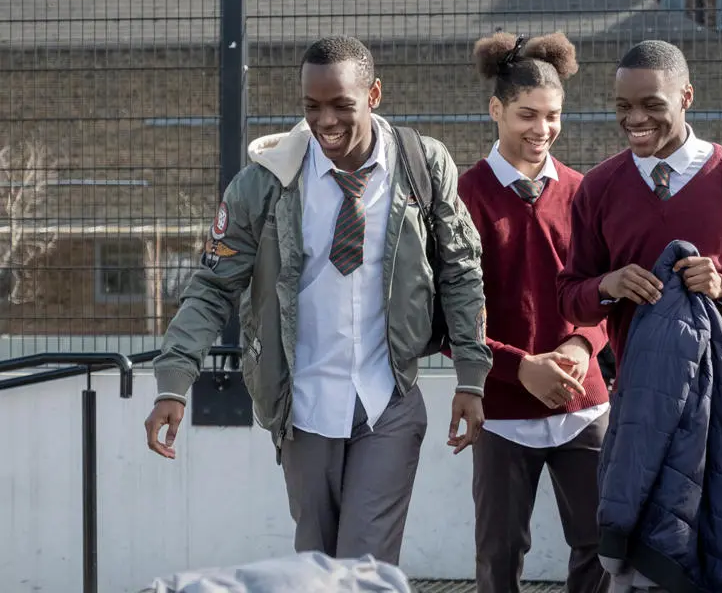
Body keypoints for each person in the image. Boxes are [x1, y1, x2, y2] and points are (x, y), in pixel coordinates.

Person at [143, 35, 492, 565]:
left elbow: (462, 270)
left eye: (341, 105)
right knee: (316, 564)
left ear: (374, 94)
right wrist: (173, 382)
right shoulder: (264, 184)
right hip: (302, 408)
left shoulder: (422, 164)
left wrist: (471, 373)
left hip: (388, 400)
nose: (325, 121)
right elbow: (213, 287)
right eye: (312, 106)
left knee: (363, 566)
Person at [556, 39, 722, 393]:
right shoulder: (598, 187)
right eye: (623, 106)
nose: (635, 119)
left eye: (652, 105)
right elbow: (570, 298)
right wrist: (608, 286)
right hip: (639, 393)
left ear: (686, 97)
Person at [456, 31, 611, 593]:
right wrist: (519, 366)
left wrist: (581, 344)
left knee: (603, 544)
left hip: (584, 403)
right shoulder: (462, 197)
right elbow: (447, 317)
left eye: (553, 115)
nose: (542, 129)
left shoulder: (585, 192)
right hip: (501, 409)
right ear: (495, 109)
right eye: (527, 114)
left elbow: (605, 292)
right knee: (499, 555)